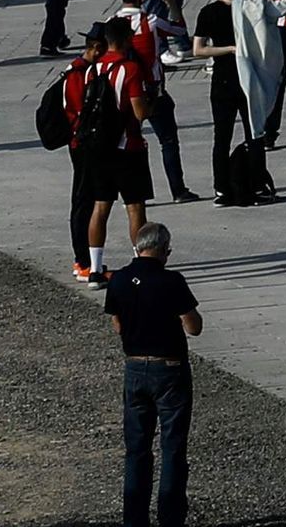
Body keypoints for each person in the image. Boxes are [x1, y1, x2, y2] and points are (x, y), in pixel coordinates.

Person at [106, 218, 203, 527]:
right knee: (173, 446)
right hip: (169, 368)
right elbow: (194, 326)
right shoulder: (172, 281)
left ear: (137, 247)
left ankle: (134, 519)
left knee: (137, 449)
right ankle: (170, 517)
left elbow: (117, 322)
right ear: (164, 250)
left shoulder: (119, 279)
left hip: (134, 367)